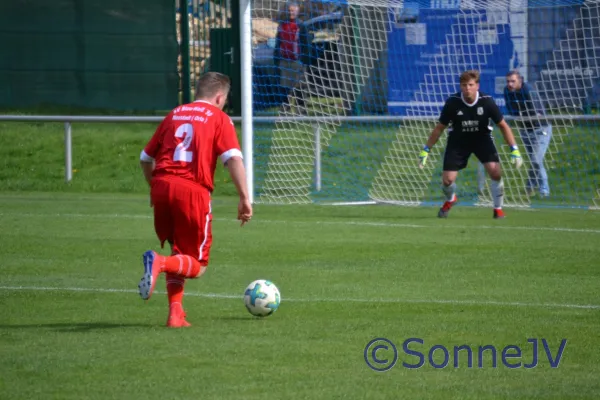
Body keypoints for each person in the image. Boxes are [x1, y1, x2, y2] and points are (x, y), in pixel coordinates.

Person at [138, 72, 252, 328]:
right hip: (191, 190)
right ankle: (158, 262)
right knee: (197, 266)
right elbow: (233, 158)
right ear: (220, 97)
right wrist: (244, 198)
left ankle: (175, 314)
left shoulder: (174, 114)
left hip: (161, 185)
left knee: (179, 252)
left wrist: (154, 188)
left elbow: (145, 158)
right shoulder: (219, 118)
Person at [418, 70, 523, 219]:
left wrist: (514, 149)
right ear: (460, 86)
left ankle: (498, 209)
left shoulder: (487, 101)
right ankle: (451, 199)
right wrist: (426, 150)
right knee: (447, 181)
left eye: (471, 85)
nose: (467, 88)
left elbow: (503, 126)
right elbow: (439, 128)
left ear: (477, 86)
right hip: (458, 141)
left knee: (495, 172)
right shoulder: (452, 102)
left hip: (482, 139)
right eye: (464, 85)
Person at [504, 69, 552, 197]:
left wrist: (522, 115)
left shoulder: (528, 91)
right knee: (534, 161)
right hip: (525, 130)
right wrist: (519, 115)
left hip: (541, 129)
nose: (510, 84)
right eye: (508, 81)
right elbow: (511, 110)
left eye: (513, 81)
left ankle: (543, 191)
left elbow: (535, 112)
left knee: (536, 160)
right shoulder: (507, 91)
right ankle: (530, 188)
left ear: (520, 81)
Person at [274, 2, 303, 108]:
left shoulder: (301, 25)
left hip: (297, 60)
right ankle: (286, 106)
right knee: (284, 85)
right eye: (289, 10)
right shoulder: (282, 25)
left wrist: (304, 58)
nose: (291, 13)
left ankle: (301, 107)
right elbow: (278, 42)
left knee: (299, 84)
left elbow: (305, 42)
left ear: (297, 11)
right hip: (284, 60)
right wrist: (276, 58)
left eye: (293, 10)